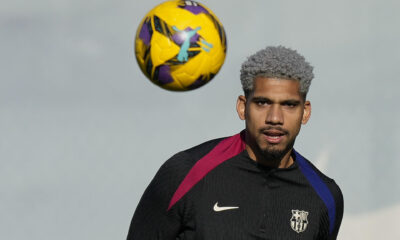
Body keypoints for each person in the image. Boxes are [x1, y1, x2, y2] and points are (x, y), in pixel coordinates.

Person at [127, 46, 344, 239]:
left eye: (289, 105)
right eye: (262, 102)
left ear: (305, 112)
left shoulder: (325, 197)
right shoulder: (185, 173)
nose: (275, 118)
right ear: (242, 106)